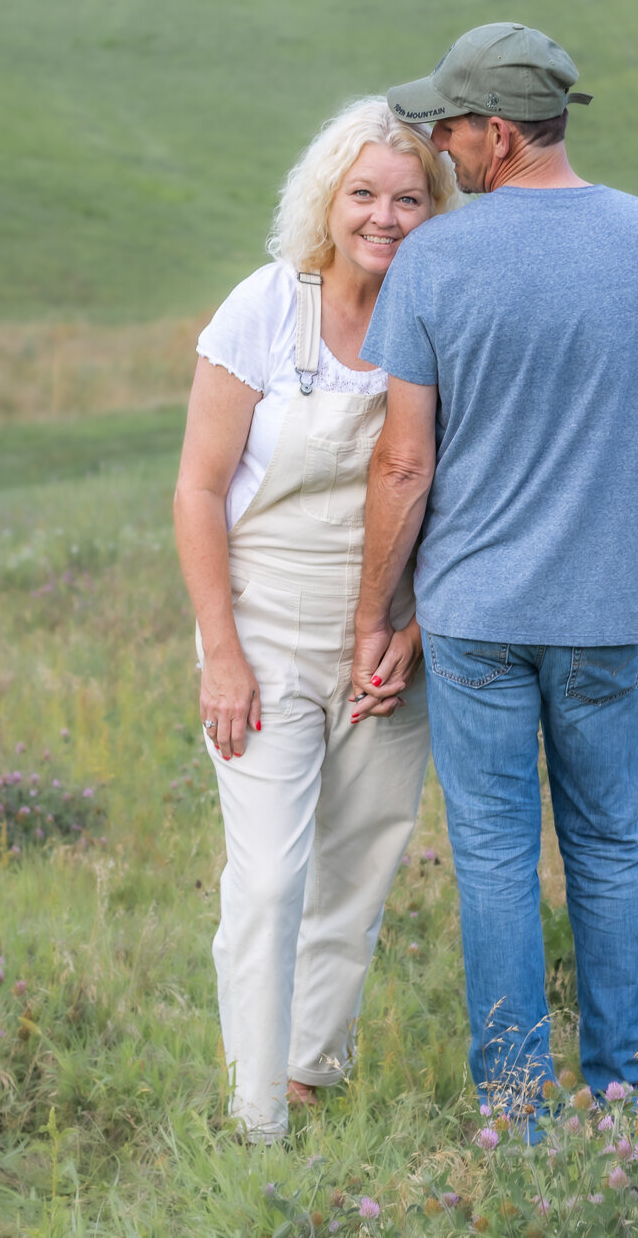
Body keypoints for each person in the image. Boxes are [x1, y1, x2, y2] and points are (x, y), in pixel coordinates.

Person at [351, 23, 638, 1126]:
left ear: (500, 132)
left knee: (495, 858)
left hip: (473, 619)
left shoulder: (438, 259)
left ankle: (517, 1109)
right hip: (604, 611)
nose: (439, 147)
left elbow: (405, 458)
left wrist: (378, 611)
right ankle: (630, 1092)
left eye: (449, 127)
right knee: (610, 845)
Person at [174, 97, 458, 1143]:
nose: (385, 217)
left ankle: (306, 1074)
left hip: (392, 627)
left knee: (362, 857)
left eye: (411, 198)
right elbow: (200, 490)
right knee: (273, 872)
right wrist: (222, 656)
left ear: (439, 211)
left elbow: (451, 493)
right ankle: (252, 1117)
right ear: (327, 201)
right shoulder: (265, 308)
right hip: (264, 622)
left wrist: (409, 627)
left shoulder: (441, 321)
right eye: (365, 194)